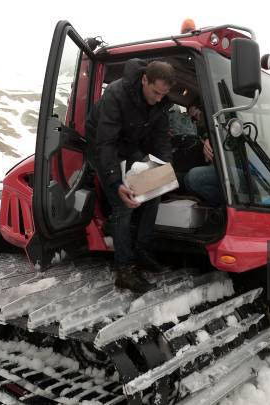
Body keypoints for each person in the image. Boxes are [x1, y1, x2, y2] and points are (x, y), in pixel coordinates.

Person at [86, 59, 176, 293]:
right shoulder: (116, 94)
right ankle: (124, 270)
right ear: (144, 79)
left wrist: (164, 168)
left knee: (153, 191)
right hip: (102, 146)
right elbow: (106, 143)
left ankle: (141, 251)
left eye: (162, 94)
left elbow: (162, 139)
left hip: (127, 144)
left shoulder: (160, 101)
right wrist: (115, 181)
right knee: (123, 203)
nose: (158, 99)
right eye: (155, 92)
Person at [183, 105, 224, 207]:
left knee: (193, 177)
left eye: (198, 114)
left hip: (232, 168)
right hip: (214, 164)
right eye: (194, 117)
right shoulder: (197, 124)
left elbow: (222, 129)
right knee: (188, 180)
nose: (197, 117)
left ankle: (224, 204)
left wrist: (209, 138)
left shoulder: (221, 115)